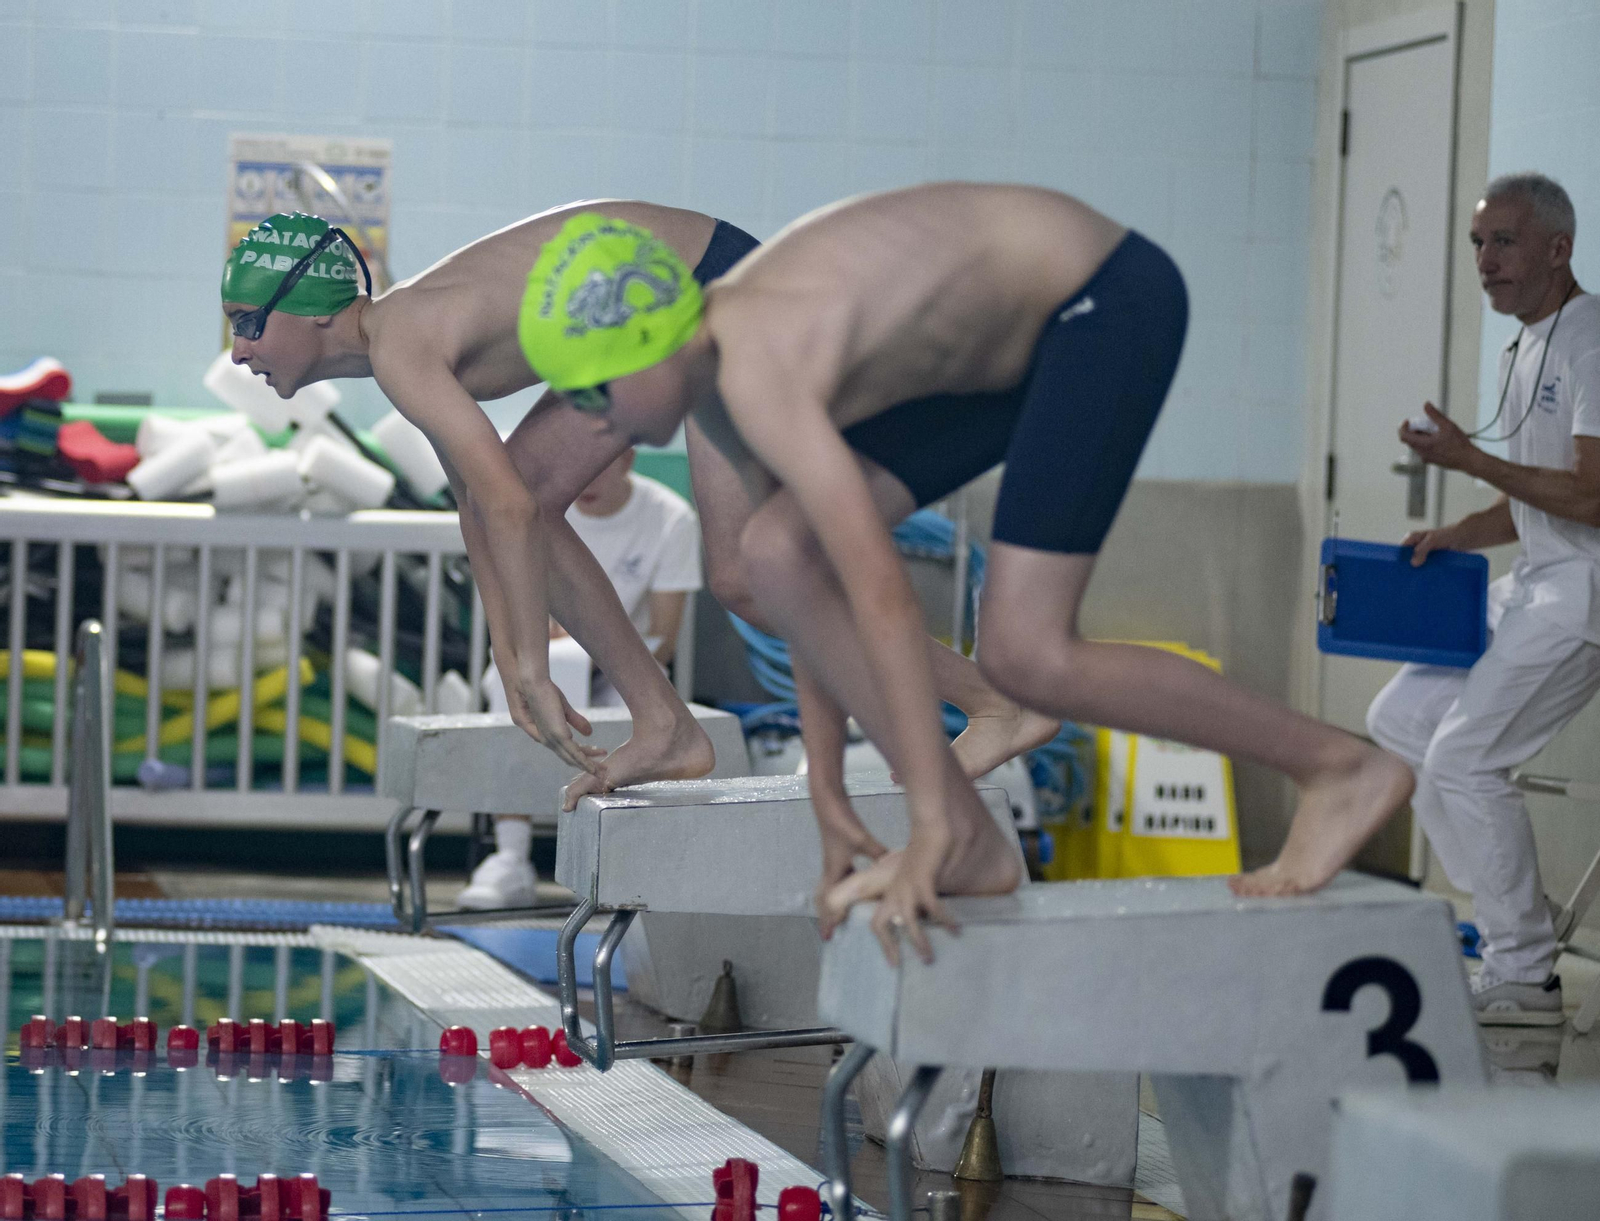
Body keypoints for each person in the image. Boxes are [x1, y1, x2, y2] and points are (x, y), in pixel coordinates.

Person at [515, 185, 1416, 962]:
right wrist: (828, 794)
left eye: (593, 392)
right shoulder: (712, 378)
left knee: (1029, 652)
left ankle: (1339, 767)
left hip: (1101, 303)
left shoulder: (756, 363)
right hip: (1012, 349)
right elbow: (798, 580)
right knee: (774, 547)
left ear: (648, 343)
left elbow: (879, 591)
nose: (592, 426)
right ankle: (976, 843)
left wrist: (929, 824)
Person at [219, 204, 1054, 822]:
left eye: (250, 322)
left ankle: (995, 701)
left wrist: (532, 668)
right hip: (660, 314)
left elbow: (507, 504)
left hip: (712, 294)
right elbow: (481, 508)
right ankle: (664, 723)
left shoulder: (400, 340)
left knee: (747, 576)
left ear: (315, 310)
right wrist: (511, 660)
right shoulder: (402, 346)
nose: (240, 349)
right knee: (588, 516)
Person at [1368, 172, 1600, 1025]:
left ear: (1558, 248)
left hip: (1583, 594)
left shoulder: (1592, 343)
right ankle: (1511, 917)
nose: (1485, 260)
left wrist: (1469, 458)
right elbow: (1530, 497)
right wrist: (1454, 533)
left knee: (1464, 757)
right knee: (1400, 718)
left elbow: (1592, 495)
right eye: (1477, 243)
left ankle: (1524, 973)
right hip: (1535, 579)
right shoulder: (1520, 348)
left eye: (1504, 241)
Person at [462, 448, 702, 909]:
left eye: (599, 465)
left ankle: (623, 860)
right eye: (580, 464)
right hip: (547, 655)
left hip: (625, 667)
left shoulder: (670, 517)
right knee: (505, 686)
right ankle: (510, 852)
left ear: (627, 458)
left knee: (632, 708)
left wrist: (588, 646)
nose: (587, 479)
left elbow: (663, 637)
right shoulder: (531, 509)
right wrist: (533, 643)